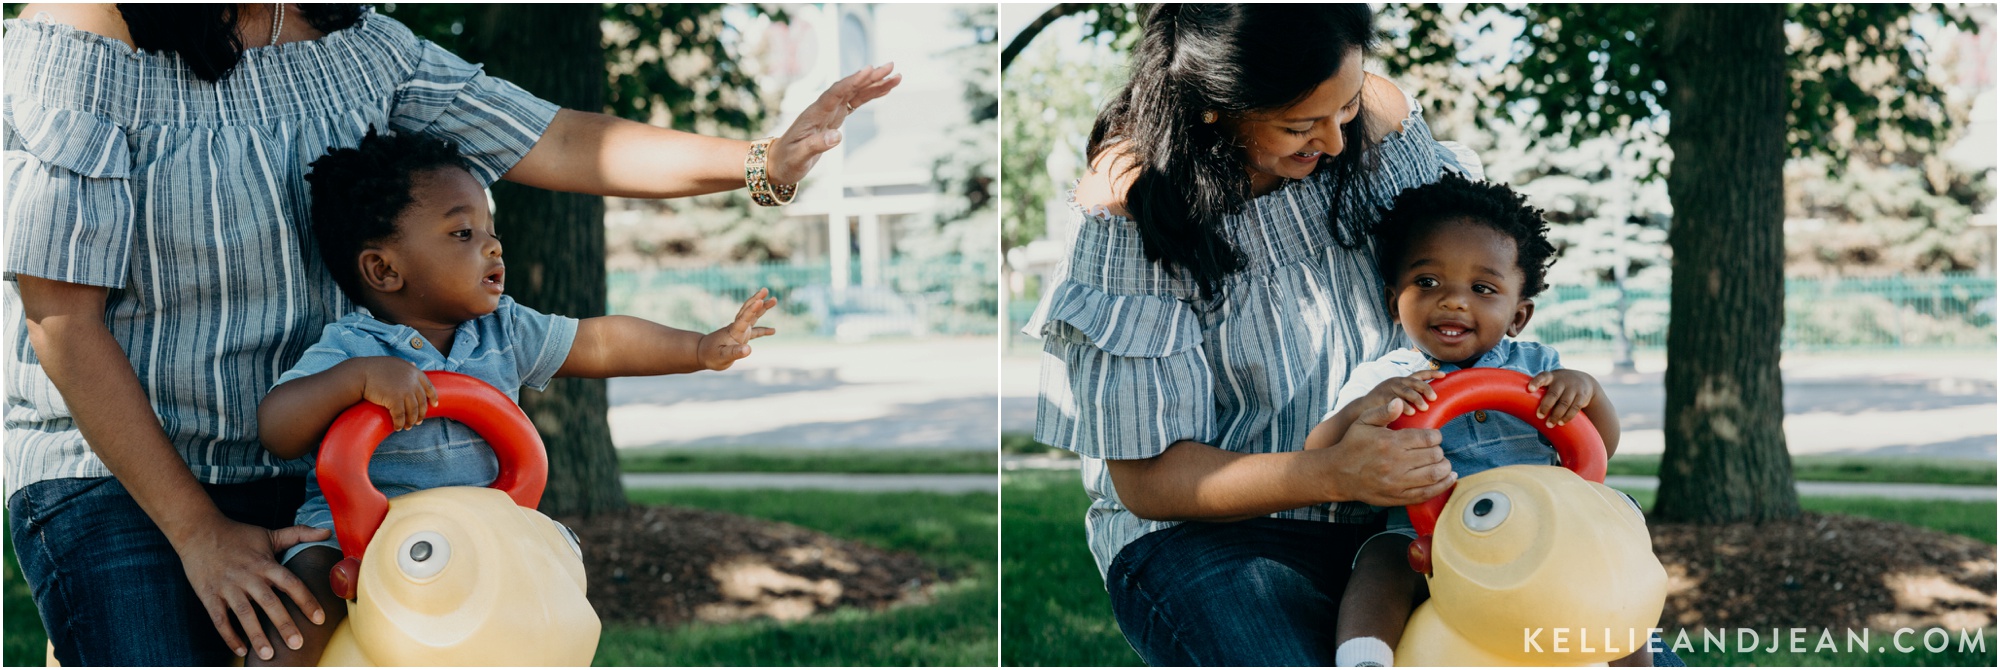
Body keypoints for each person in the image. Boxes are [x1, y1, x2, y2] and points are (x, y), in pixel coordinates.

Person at [3, 4, 895, 665]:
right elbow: (62, 319)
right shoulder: (87, 34)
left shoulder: (357, 44)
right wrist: (199, 534)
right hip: (120, 475)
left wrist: (760, 162)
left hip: (321, 468)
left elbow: (557, 138)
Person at [1027, 4, 1679, 666]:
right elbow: (1150, 481)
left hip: (1414, 515)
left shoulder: (1379, 125)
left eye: (1343, 109)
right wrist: (1331, 470)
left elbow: (1468, 259)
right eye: (1300, 124)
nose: (1336, 142)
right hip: (1218, 536)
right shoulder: (1136, 203)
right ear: (1216, 105)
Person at [247, 130, 774, 665]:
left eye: (490, 230)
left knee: (551, 594)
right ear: (384, 269)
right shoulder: (352, 347)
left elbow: (601, 341)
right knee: (303, 610)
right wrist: (355, 379)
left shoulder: (504, 330)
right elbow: (278, 428)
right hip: (355, 539)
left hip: (485, 534)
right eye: (462, 232)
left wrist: (700, 347)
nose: (492, 245)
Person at [1302, 174, 1645, 667]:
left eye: (1482, 288)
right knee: (1382, 559)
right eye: (1426, 282)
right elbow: (1321, 453)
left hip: (1543, 522)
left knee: (1611, 560)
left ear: (1517, 315)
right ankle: (1365, 657)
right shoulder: (1390, 376)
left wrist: (1587, 392)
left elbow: (1598, 448)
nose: (1454, 300)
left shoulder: (1537, 367)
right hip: (1430, 531)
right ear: (1391, 301)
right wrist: (1365, 409)